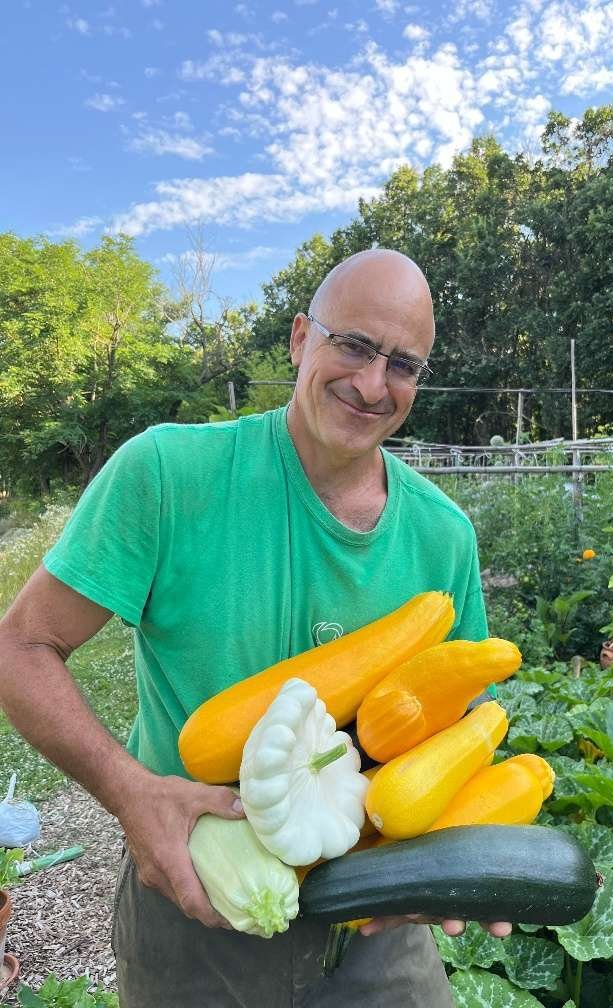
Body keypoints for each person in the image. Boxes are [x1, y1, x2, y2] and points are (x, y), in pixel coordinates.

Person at [0, 249, 511, 1006]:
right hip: (195, 896)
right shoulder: (169, 474)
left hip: (377, 917)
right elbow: (20, 646)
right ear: (301, 338)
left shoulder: (443, 535)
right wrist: (131, 793)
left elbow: (459, 722)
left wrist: (454, 848)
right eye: (355, 345)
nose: (373, 384)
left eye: (403, 364)